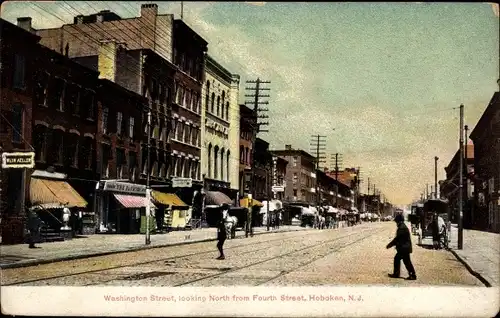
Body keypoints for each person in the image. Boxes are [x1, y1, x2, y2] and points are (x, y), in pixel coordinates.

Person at [386, 213, 417, 280]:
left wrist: (389, 245)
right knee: (405, 261)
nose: (396, 223)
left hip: (404, 248)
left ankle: (399, 274)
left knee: (399, 259)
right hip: (405, 248)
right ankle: (411, 274)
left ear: (399, 221)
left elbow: (397, 239)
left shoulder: (402, 228)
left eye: (396, 221)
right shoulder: (402, 226)